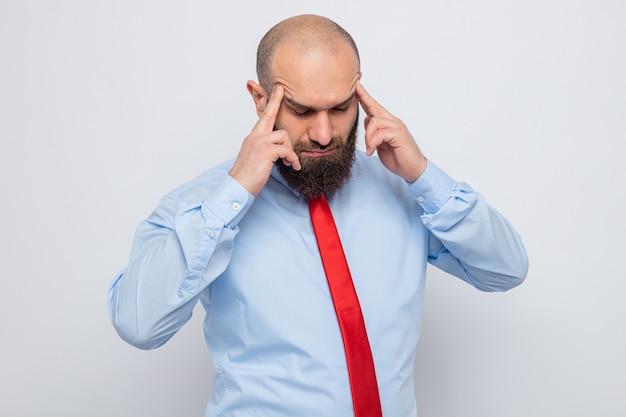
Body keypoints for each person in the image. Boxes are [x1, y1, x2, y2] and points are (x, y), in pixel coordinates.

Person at [108, 14, 528, 417]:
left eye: (341, 108)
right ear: (260, 100)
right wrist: (233, 194)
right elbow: (139, 325)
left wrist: (423, 176)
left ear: (358, 91)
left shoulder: (400, 186)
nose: (324, 134)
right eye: (302, 111)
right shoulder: (205, 204)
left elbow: (505, 270)